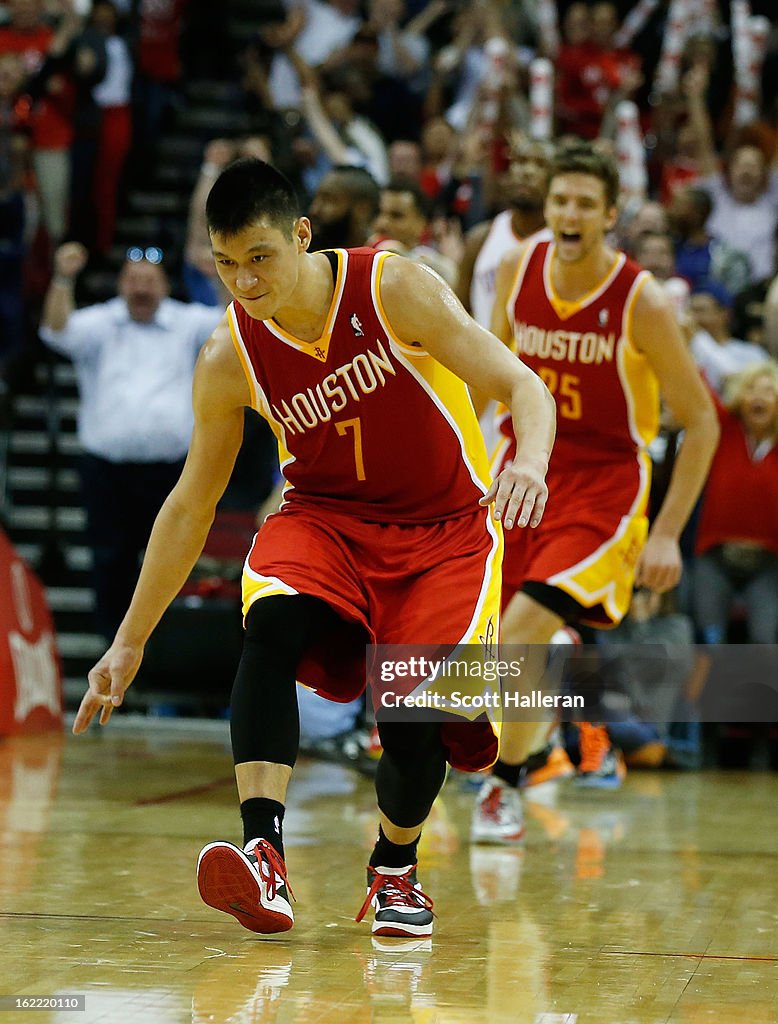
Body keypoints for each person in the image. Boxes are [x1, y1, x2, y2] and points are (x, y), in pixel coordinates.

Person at [71, 158, 556, 939]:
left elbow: (522, 386)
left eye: (260, 258)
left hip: (447, 532)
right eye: (227, 266)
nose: (247, 284)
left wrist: (528, 463)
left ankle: (395, 870)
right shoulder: (228, 355)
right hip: (326, 519)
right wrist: (128, 644)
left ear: (301, 235)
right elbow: (191, 504)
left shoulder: (395, 288)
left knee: (413, 713)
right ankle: (263, 852)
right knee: (271, 619)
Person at [471, 141, 718, 841]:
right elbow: (488, 375)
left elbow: (700, 422)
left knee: (521, 630)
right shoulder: (519, 269)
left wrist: (667, 531)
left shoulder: (639, 300)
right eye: (560, 201)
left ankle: (507, 782)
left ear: (610, 215)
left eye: (585, 203)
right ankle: (535, 749)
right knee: (498, 637)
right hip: (524, 471)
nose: (570, 214)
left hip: (606, 485)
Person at [39, 243, 223, 640]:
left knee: (171, 558)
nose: (141, 289)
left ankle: (164, 644)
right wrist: (63, 277)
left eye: (149, 281)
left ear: (164, 285)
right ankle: (110, 642)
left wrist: (217, 275)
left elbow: (234, 323)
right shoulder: (100, 322)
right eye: (134, 280)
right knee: (110, 559)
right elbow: (56, 330)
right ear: (121, 284)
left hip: (169, 470)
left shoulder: (185, 321)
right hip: (106, 470)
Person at [692, 361, 778, 646]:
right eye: (751, 388)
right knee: (707, 639)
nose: (758, 397)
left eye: (768, 391)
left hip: (769, 562)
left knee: (765, 640)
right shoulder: (723, 430)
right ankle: (698, 693)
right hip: (715, 555)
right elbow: (698, 390)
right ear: (740, 396)